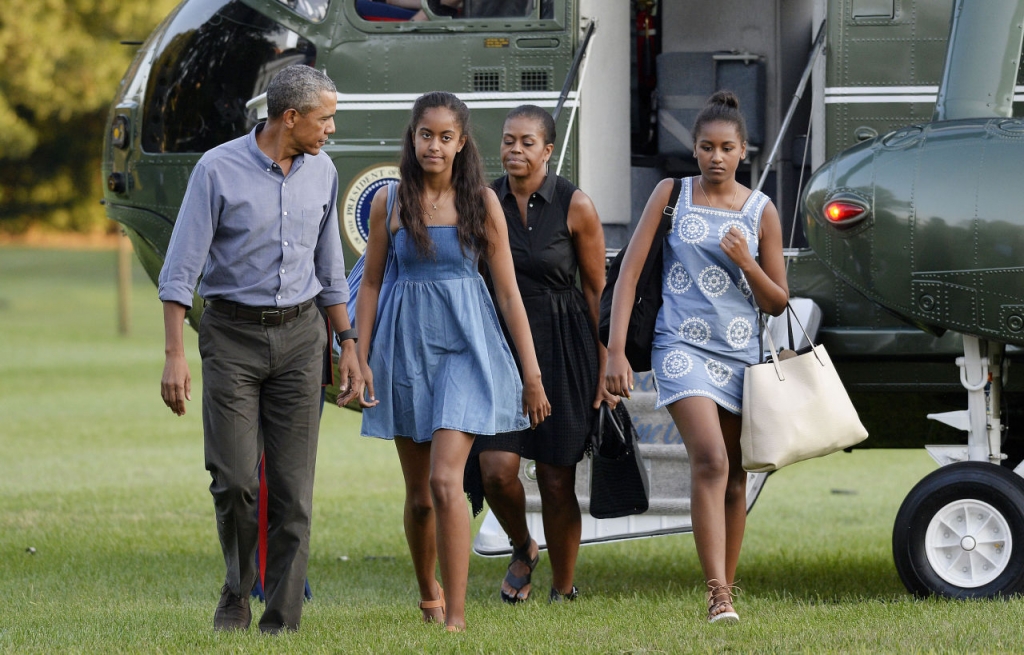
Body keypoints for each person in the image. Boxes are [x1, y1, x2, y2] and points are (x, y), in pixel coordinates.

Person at [157, 64, 361, 634]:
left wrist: (346, 342)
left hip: (302, 338)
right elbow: (181, 270)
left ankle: (282, 621)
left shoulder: (322, 172)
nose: (331, 131)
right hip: (231, 337)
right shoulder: (216, 169)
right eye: (325, 120)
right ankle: (237, 589)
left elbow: (330, 269)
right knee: (235, 480)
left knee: (294, 490)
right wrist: (175, 354)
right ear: (290, 118)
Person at [351, 91, 551, 632]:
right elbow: (370, 284)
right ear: (411, 137)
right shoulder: (388, 202)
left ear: (462, 143)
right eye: (425, 134)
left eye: (445, 137)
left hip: (466, 345)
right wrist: (360, 356)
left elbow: (508, 293)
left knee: (446, 482)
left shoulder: (482, 203)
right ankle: (428, 594)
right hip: (405, 347)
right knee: (419, 499)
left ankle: (457, 619)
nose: (433, 145)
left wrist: (530, 376)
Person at [605, 91, 788, 624]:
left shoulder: (761, 211)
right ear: (693, 149)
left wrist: (745, 263)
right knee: (710, 459)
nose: (715, 157)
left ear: (743, 151)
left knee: (735, 477)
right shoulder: (671, 193)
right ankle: (718, 595)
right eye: (705, 147)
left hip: (741, 354)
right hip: (680, 346)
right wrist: (615, 350)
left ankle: (727, 586)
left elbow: (777, 300)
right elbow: (629, 273)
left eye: (726, 148)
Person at [464, 104, 615, 604]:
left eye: (527, 142)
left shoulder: (576, 205)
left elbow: (596, 291)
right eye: (508, 141)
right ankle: (523, 545)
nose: (514, 150)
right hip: (499, 347)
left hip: (564, 344)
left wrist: (605, 362)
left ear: (549, 150)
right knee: (496, 470)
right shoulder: (482, 199)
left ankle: (563, 588)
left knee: (555, 477)